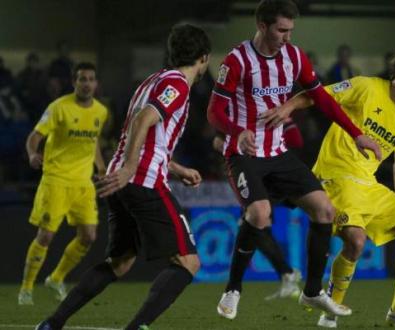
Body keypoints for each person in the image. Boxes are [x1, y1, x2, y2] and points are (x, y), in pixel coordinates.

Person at [206, 0, 381, 321]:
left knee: (324, 210)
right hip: (243, 154)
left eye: (291, 30)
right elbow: (213, 111)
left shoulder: (294, 57)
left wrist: (356, 134)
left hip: (279, 153)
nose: (287, 37)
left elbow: (322, 98)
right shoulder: (236, 60)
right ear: (262, 26)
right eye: (281, 30)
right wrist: (236, 129)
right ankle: (232, 289)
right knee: (259, 214)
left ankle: (312, 291)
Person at [35, 23, 211, 330]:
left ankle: (52, 323)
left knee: (120, 262)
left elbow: (142, 134)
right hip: (141, 181)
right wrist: (131, 169)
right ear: (204, 58)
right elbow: (144, 120)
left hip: (123, 180)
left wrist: (176, 168)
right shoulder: (178, 84)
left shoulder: (151, 81)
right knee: (188, 262)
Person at [263, 45, 395, 328]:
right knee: (355, 240)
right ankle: (330, 311)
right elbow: (319, 96)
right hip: (336, 175)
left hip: (368, 183)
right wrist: (289, 105)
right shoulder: (366, 87)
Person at [18, 62, 108, 306]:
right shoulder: (58, 108)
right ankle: (26, 289)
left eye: (91, 79)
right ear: (74, 82)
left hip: (83, 182)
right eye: (82, 79)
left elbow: (94, 143)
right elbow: (34, 136)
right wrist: (33, 154)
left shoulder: (100, 112)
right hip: (56, 179)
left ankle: (56, 278)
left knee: (89, 236)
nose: (87, 83)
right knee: (46, 235)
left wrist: (100, 167)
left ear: (96, 84)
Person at [212, 123, 304, 301]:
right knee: (259, 226)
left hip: (271, 173)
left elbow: (296, 140)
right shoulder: (238, 113)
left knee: (253, 224)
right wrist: (232, 148)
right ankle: (287, 275)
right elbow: (217, 140)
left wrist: (276, 142)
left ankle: (287, 273)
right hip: (248, 171)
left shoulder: (274, 111)